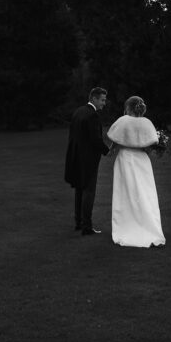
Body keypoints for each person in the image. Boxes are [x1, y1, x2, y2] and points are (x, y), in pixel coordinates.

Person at [106, 96, 165, 248]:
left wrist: (111, 150)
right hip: (142, 161)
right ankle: (148, 225)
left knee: (125, 193)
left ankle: (126, 225)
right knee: (145, 193)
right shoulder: (147, 123)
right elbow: (149, 146)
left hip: (125, 159)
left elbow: (115, 142)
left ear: (128, 107)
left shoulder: (122, 121)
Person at [64, 87, 110, 236]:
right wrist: (108, 151)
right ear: (94, 99)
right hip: (88, 160)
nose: (104, 103)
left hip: (76, 157)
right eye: (102, 100)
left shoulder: (78, 112)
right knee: (89, 192)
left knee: (79, 189)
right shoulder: (92, 115)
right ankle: (87, 227)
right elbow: (95, 140)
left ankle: (79, 223)